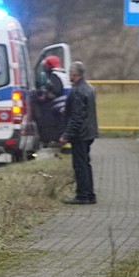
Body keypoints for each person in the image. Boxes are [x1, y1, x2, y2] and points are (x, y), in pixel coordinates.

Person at [59, 61, 98, 205]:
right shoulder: (88, 88)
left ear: (74, 74)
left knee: (79, 165)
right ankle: (90, 194)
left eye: (70, 73)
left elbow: (77, 116)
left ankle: (82, 195)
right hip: (89, 132)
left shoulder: (77, 91)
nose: (69, 75)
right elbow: (84, 111)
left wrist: (66, 135)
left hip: (80, 134)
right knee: (86, 164)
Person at [33, 56, 70, 146]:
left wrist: (44, 97)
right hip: (66, 101)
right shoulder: (63, 73)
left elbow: (56, 91)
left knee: (47, 117)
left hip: (61, 102)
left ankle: (52, 139)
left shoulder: (55, 75)